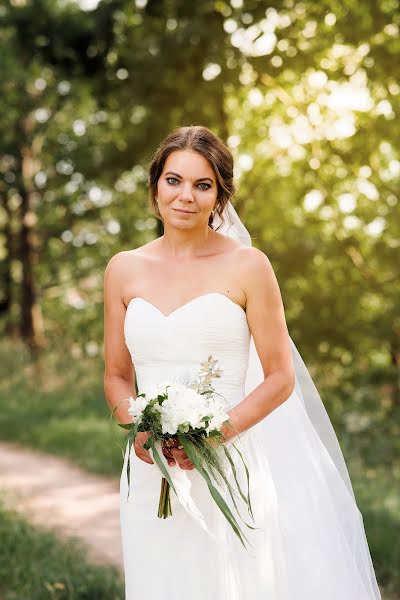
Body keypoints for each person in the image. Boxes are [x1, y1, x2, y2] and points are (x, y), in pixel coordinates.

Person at [103, 125, 382, 599]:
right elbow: (116, 374)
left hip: (231, 465)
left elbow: (279, 377)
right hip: (152, 469)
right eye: (173, 180)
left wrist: (216, 433)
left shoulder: (249, 266)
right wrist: (141, 429)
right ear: (154, 187)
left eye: (202, 184)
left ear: (221, 195)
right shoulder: (123, 269)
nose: (185, 196)